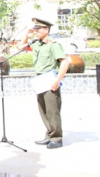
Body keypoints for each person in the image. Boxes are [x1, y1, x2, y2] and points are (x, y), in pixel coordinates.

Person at [20, 18, 69, 149]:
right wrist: (26, 36)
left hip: (49, 79)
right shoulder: (37, 43)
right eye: (35, 29)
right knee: (43, 109)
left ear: (46, 30)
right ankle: (49, 134)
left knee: (53, 110)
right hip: (39, 79)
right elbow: (20, 47)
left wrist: (57, 81)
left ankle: (57, 138)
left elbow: (64, 63)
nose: (36, 32)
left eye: (38, 29)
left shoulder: (53, 44)